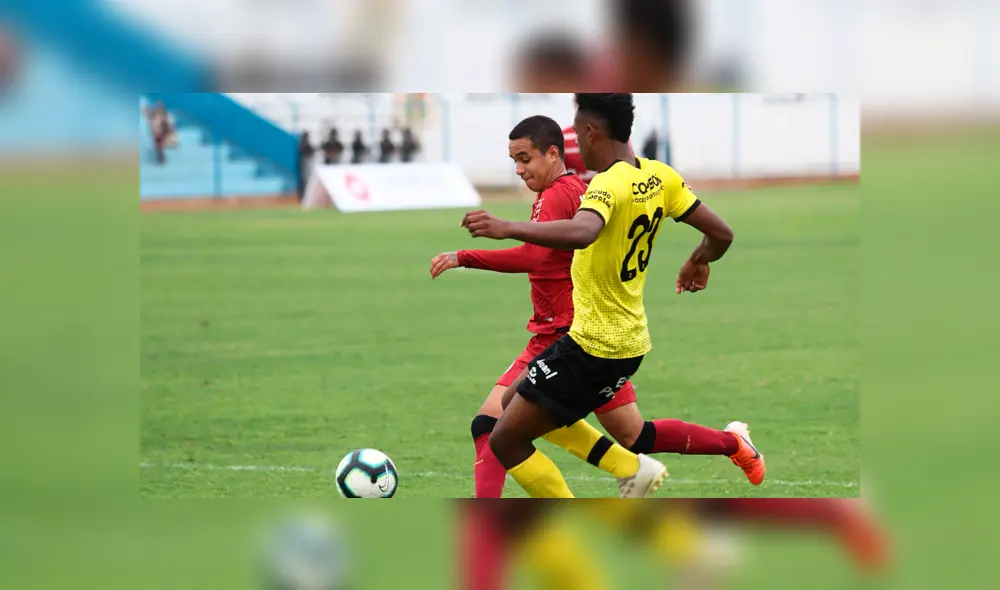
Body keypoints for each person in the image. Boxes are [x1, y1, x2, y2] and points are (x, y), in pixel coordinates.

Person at [434, 114, 757, 498]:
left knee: (493, 427)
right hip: (593, 330)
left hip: (571, 333)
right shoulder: (575, 188)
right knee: (632, 433)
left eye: (525, 159)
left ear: (553, 153)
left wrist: (467, 255)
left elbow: (537, 256)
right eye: (514, 161)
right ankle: (729, 445)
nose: (519, 170)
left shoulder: (560, 194)